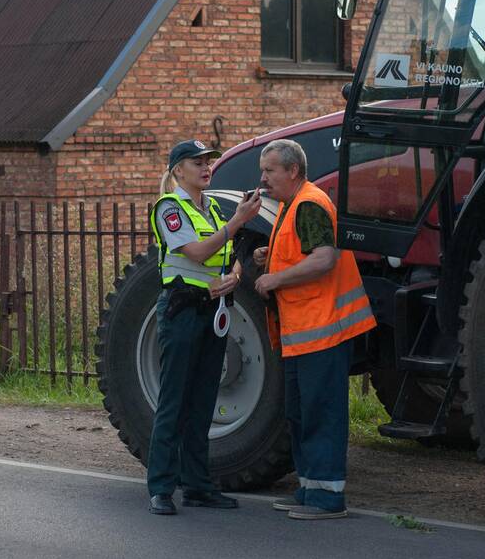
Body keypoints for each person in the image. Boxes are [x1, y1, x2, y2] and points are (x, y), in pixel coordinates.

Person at [252, 139, 376, 520]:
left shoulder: (308, 203)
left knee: (320, 411)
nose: (263, 178)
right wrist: (267, 256)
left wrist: (274, 279)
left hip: (321, 329)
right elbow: (305, 253)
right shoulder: (296, 204)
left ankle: (327, 496)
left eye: (270, 170)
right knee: (302, 412)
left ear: (292, 171)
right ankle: (310, 487)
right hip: (305, 332)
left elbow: (324, 259)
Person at [146, 139, 262, 516]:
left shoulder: (211, 207)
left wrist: (235, 276)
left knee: (202, 403)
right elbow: (197, 253)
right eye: (196, 162)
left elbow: (231, 256)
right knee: (174, 402)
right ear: (178, 170)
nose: (205, 166)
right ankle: (161, 487)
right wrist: (237, 222)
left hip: (214, 311)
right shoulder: (169, 208)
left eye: (208, 160)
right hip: (182, 311)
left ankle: (197, 485)